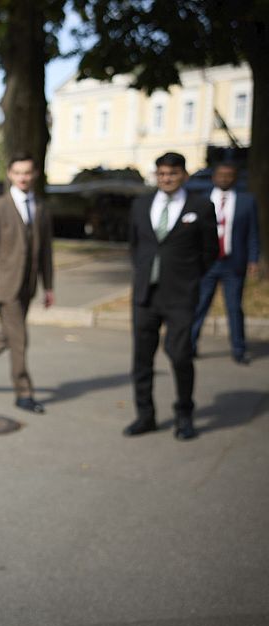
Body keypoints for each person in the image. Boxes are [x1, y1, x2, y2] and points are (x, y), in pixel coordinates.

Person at [124, 152, 218, 440]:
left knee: (179, 355)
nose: (166, 178)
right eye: (162, 173)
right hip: (145, 295)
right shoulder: (141, 205)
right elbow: (134, 246)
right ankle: (145, 415)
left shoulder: (200, 206)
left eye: (173, 173)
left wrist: (189, 278)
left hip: (180, 295)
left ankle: (184, 415)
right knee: (141, 360)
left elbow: (210, 252)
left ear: (184, 175)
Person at [0, 153, 54, 414]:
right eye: (18, 172)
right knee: (19, 338)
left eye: (27, 172)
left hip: (28, 285)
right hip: (4, 285)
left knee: (6, 337)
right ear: (10, 175)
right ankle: (24, 392)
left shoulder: (41, 208)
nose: (23, 177)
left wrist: (48, 286)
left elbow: (46, 251)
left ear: (34, 175)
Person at [190, 161, 260, 365]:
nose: (224, 178)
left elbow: (253, 233)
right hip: (207, 264)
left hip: (233, 263)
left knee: (234, 307)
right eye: (221, 174)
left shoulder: (247, 202)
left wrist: (253, 258)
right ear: (214, 177)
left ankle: (239, 349)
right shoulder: (201, 201)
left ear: (235, 178)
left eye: (229, 175)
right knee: (200, 305)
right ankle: (190, 345)